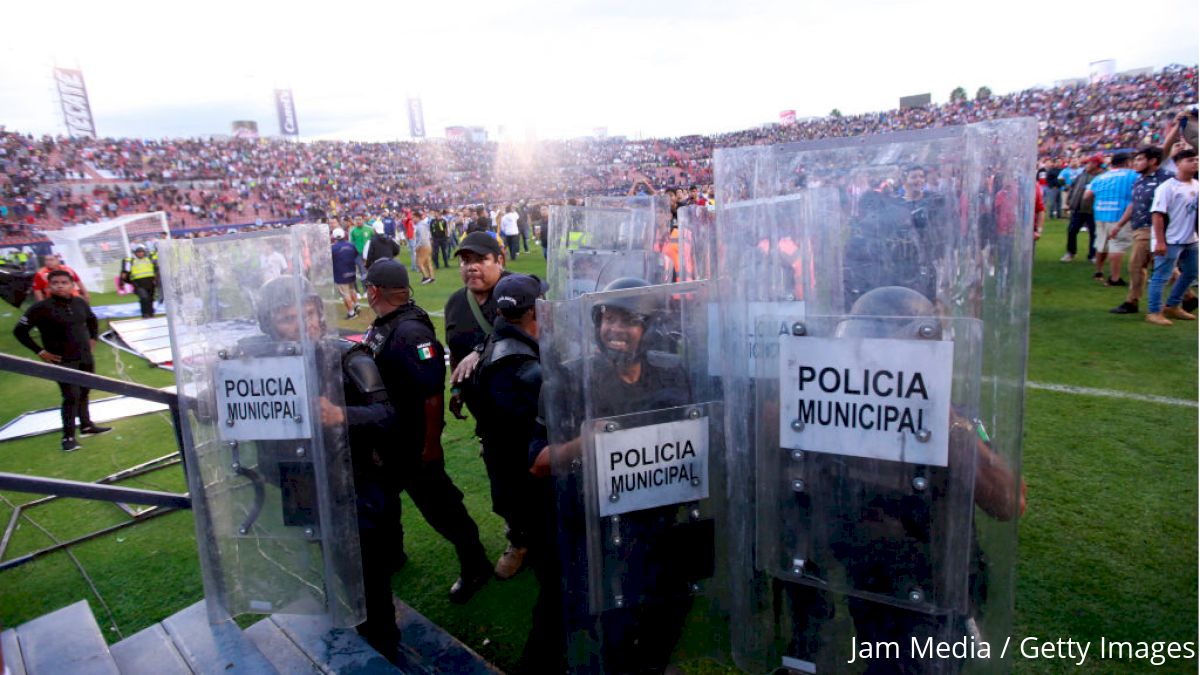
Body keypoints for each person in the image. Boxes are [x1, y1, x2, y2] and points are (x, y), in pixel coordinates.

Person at [361, 260, 493, 602]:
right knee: (384, 502)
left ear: (375, 291)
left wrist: (430, 445)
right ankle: (393, 555)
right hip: (389, 437)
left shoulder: (410, 332)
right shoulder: (389, 324)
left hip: (412, 443)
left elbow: (432, 393)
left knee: (442, 509)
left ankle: (475, 565)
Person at [442, 232, 519, 575]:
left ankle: (535, 535)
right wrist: (458, 390)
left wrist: (481, 350)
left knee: (535, 473)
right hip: (486, 412)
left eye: (480, 259)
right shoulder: (456, 303)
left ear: (499, 260)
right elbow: (455, 350)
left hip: (526, 408)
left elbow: (524, 329)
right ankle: (518, 534)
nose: (471, 267)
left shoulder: (519, 289)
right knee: (501, 478)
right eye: (464, 261)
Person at [470, 275, 547, 584]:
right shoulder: (521, 367)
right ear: (535, 311)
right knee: (524, 508)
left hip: (504, 449)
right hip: (519, 456)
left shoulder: (500, 341)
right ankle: (522, 543)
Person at [14, 269, 111, 452]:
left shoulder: (79, 302)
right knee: (70, 396)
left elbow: (92, 320)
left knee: (84, 392)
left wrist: (92, 339)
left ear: (72, 285)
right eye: (55, 283)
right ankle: (68, 437)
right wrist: (40, 351)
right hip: (62, 359)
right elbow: (19, 331)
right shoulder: (41, 308)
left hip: (84, 357)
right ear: (49, 286)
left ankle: (87, 425)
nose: (60, 286)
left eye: (64, 282)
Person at [1110, 146, 1172, 315]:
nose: (1135, 163)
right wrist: (1119, 224)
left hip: (1153, 227)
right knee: (1164, 266)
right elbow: (1133, 204)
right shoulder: (1139, 180)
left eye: (1139, 159)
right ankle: (1187, 296)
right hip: (1139, 227)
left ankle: (1132, 301)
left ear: (1152, 161)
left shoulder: (1167, 178)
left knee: (1136, 265)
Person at [1145, 148, 1199, 326]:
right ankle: (1153, 311)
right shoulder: (1167, 187)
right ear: (1177, 164)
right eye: (1190, 160)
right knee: (1161, 276)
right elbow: (1157, 215)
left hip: (1190, 239)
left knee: (1191, 272)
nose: (1195, 163)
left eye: (1197, 160)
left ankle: (1173, 305)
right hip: (1170, 239)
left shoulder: (1196, 185)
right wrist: (1160, 241)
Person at [1085, 152, 1138, 285]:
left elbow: (1087, 196)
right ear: (1127, 162)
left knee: (1101, 244)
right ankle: (1115, 278)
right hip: (1120, 215)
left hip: (1100, 213)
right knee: (1117, 245)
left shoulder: (1100, 177)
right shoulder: (1133, 175)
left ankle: (1099, 271)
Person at [1061, 155, 1103, 262]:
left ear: (1096, 164)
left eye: (1090, 163)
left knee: (1094, 233)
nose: (1087, 165)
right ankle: (1070, 252)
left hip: (1093, 210)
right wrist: (1068, 202)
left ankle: (1092, 255)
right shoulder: (1082, 174)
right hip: (1078, 208)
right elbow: (1073, 188)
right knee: (1072, 230)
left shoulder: (1102, 176)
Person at [120, 243, 159, 318]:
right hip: (138, 284)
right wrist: (123, 282)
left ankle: (150, 314)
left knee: (150, 299)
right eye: (138, 252)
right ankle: (145, 314)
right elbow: (125, 273)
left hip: (150, 282)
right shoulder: (131, 261)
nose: (140, 253)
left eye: (142, 251)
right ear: (135, 253)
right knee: (144, 297)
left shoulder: (150, 259)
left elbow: (156, 257)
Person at [330, 227, 361, 319]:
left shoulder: (333, 248)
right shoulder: (351, 245)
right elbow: (355, 255)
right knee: (352, 290)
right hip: (351, 271)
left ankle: (351, 313)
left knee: (345, 294)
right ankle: (357, 305)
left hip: (340, 274)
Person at [349, 218, 374, 288]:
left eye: (360, 219)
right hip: (358, 254)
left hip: (369, 254)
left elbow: (374, 239)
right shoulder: (353, 231)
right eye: (357, 220)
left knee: (370, 270)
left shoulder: (369, 229)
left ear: (363, 220)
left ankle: (372, 286)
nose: (358, 221)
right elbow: (352, 242)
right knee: (362, 271)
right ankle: (366, 289)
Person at [413, 211, 435, 285]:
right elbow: (429, 235)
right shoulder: (425, 224)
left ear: (417, 217)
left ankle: (426, 277)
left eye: (413, 218)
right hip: (428, 245)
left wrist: (417, 246)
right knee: (428, 262)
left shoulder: (420, 226)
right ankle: (432, 277)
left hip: (423, 246)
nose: (413, 219)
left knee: (419, 263)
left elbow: (422, 238)